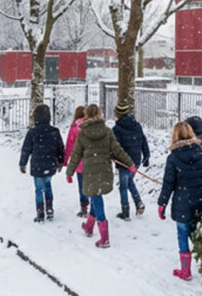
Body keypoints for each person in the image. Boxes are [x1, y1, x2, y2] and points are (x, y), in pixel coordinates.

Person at [64, 103, 135, 248]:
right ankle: (89, 227)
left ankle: (105, 239)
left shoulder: (83, 133)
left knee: (96, 199)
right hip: (104, 170)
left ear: (86, 116)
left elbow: (76, 154)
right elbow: (117, 150)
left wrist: (69, 172)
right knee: (95, 196)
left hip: (89, 171)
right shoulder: (107, 131)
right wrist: (130, 164)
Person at [158, 120, 202, 281]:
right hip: (199, 200)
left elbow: (168, 184)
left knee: (183, 234)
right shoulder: (201, 154)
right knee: (197, 232)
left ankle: (185, 270)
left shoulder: (173, 158)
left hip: (182, 202)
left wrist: (162, 203)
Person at [19, 104, 65, 222]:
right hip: (50, 163)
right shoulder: (54, 131)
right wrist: (60, 161)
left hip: (37, 165)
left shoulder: (32, 132)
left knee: (38, 189)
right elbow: (60, 147)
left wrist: (23, 163)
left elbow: (26, 149)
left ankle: (40, 211)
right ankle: (49, 208)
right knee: (48, 186)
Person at [112, 103, 150, 220]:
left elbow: (116, 147)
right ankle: (139, 203)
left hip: (124, 161)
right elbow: (143, 140)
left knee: (123, 186)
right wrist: (146, 155)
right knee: (129, 182)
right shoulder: (137, 125)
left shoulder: (117, 129)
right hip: (136, 160)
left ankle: (125, 211)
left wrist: (112, 156)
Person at [64, 105, 90, 218]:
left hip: (80, 162)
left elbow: (69, 145)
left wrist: (65, 161)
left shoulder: (75, 128)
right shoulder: (91, 126)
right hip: (92, 160)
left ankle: (84, 207)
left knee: (82, 185)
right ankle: (93, 206)